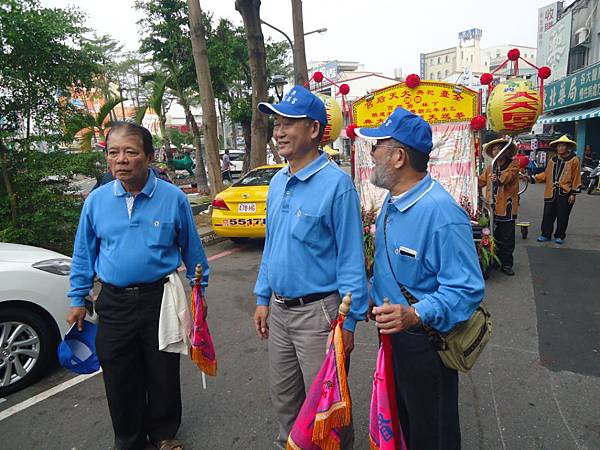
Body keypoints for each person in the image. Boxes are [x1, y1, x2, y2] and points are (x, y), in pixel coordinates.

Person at [67, 122, 209, 450]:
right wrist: (77, 297)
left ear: (147, 156)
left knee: (162, 370)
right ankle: (129, 439)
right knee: (119, 375)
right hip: (114, 302)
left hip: (160, 298)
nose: (121, 160)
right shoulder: (97, 202)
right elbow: (83, 253)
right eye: (113, 152)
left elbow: (192, 249)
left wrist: (199, 293)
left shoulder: (172, 198)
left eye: (130, 152)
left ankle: (163, 434)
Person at [357, 107, 484, 450]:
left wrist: (414, 314)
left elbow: (467, 289)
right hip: (392, 337)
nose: (371, 154)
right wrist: (371, 293)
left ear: (398, 157)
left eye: (377, 146)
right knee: (402, 423)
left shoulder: (441, 213)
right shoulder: (391, 202)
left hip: (425, 342)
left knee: (433, 432)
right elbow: (389, 265)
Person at [253, 85, 367, 448]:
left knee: (327, 404)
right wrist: (261, 297)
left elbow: (351, 259)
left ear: (315, 130)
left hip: (320, 314)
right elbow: (272, 245)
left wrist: (348, 324)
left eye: (289, 123)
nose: (279, 131)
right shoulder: (277, 181)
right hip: (280, 311)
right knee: (284, 398)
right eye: (277, 124)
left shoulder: (337, 186)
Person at [478, 138, 520, 276]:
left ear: (506, 151)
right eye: (495, 149)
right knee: (492, 234)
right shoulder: (491, 166)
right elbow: (482, 180)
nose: (497, 151)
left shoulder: (513, 164)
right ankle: (494, 260)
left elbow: (509, 177)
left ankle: (507, 263)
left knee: (507, 236)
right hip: (491, 207)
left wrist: (498, 177)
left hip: (507, 206)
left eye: (500, 148)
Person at [529, 134, 581, 244]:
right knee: (548, 214)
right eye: (559, 146)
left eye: (563, 146)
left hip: (565, 193)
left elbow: (576, 177)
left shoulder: (574, 160)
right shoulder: (552, 160)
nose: (560, 148)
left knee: (563, 215)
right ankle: (545, 234)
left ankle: (560, 235)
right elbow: (546, 174)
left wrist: (573, 194)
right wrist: (532, 178)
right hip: (551, 192)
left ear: (567, 147)